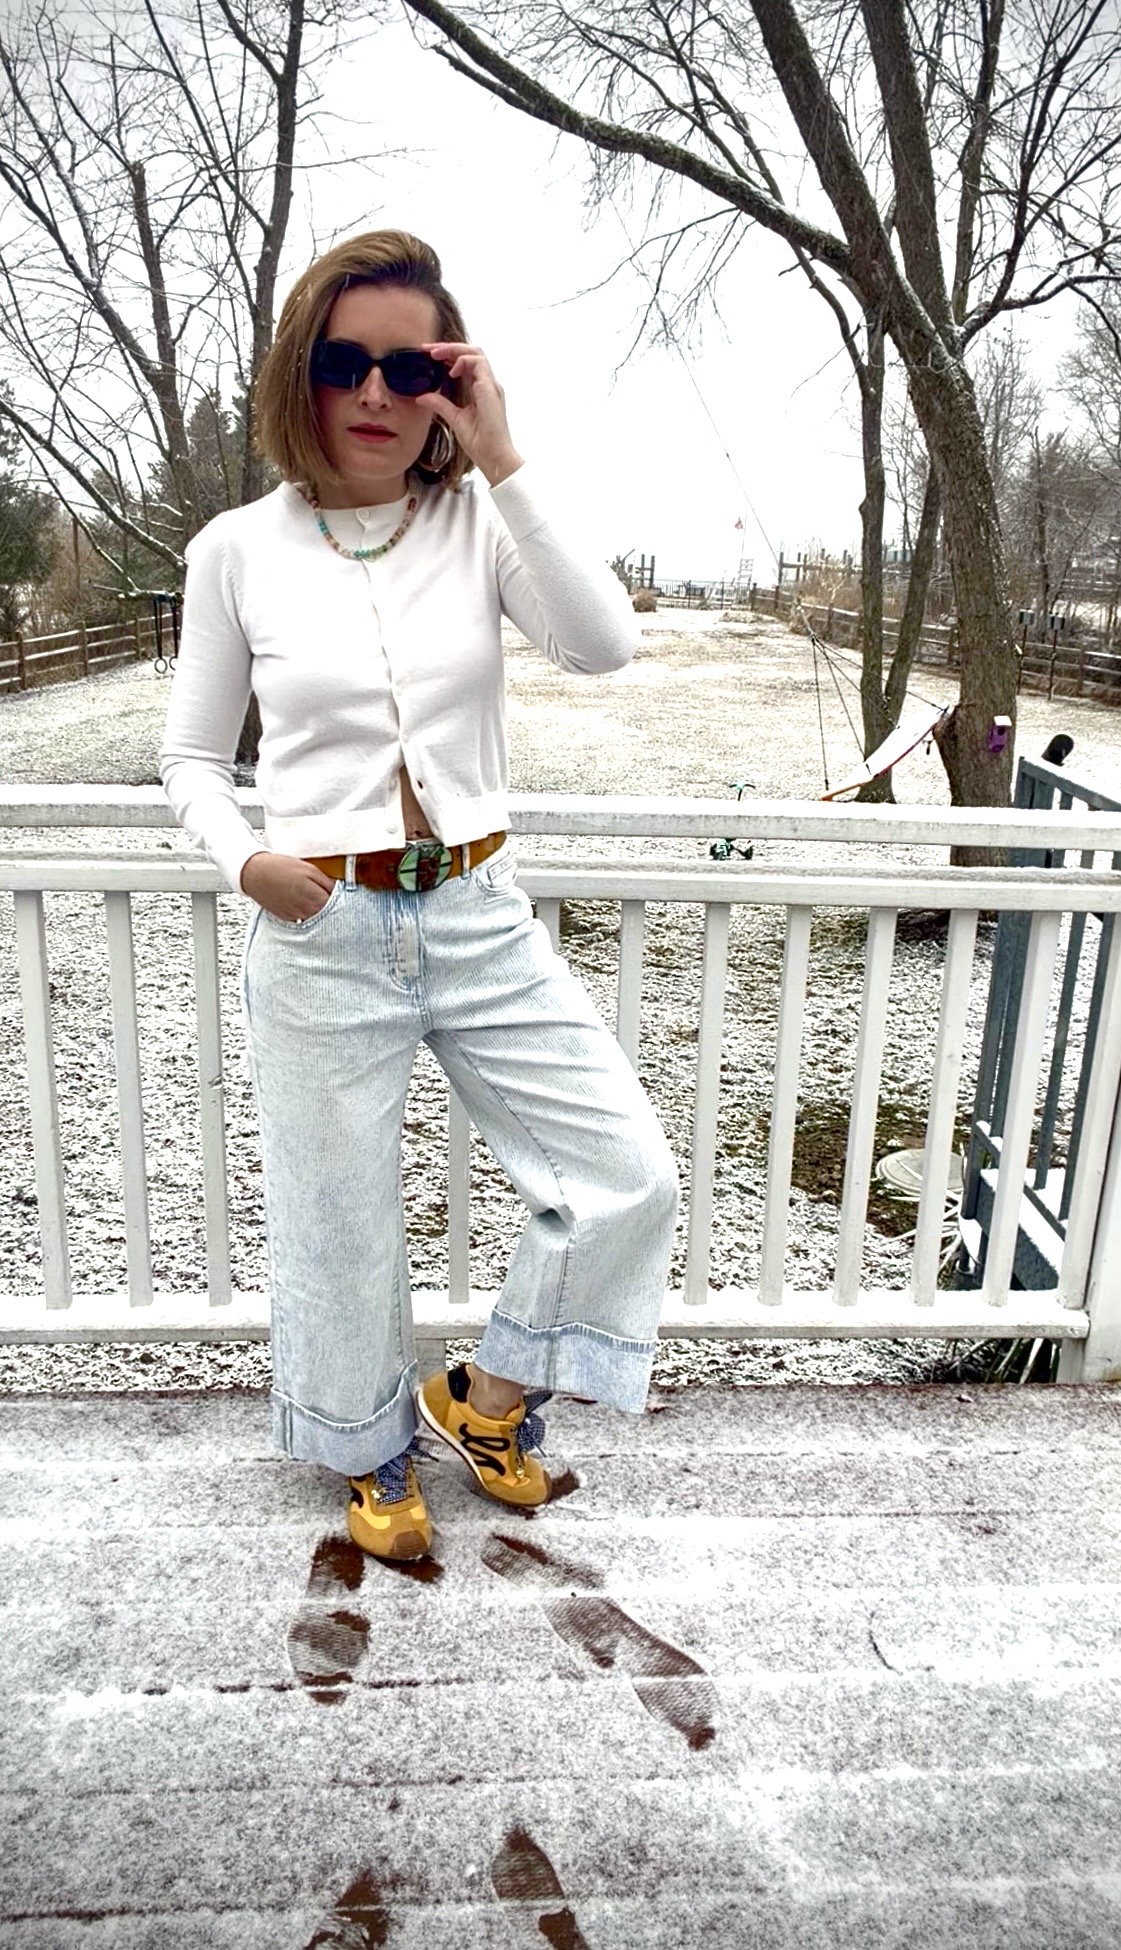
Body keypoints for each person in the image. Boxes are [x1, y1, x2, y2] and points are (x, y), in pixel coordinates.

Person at [159, 228, 679, 1562]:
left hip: (475, 911)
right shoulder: (235, 549)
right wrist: (251, 862)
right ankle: (369, 1448)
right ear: (302, 374)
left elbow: (603, 644)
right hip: (319, 924)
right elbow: (192, 757)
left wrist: (502, 453)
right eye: (347, 362)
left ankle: (486, 1399)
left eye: (411, 365)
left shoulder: (473, 523)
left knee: (622, 1170)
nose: (378, 394)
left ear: (447, 381)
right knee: (340, 1220)